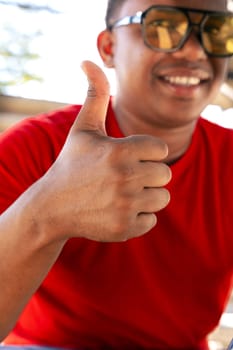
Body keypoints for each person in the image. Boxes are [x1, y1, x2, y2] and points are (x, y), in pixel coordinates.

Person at [0, 0, 233, 349]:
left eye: (217, 31)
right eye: (163, 25)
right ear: (109, 48)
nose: (195, 50)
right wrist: (44, 213)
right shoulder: (33, 147)